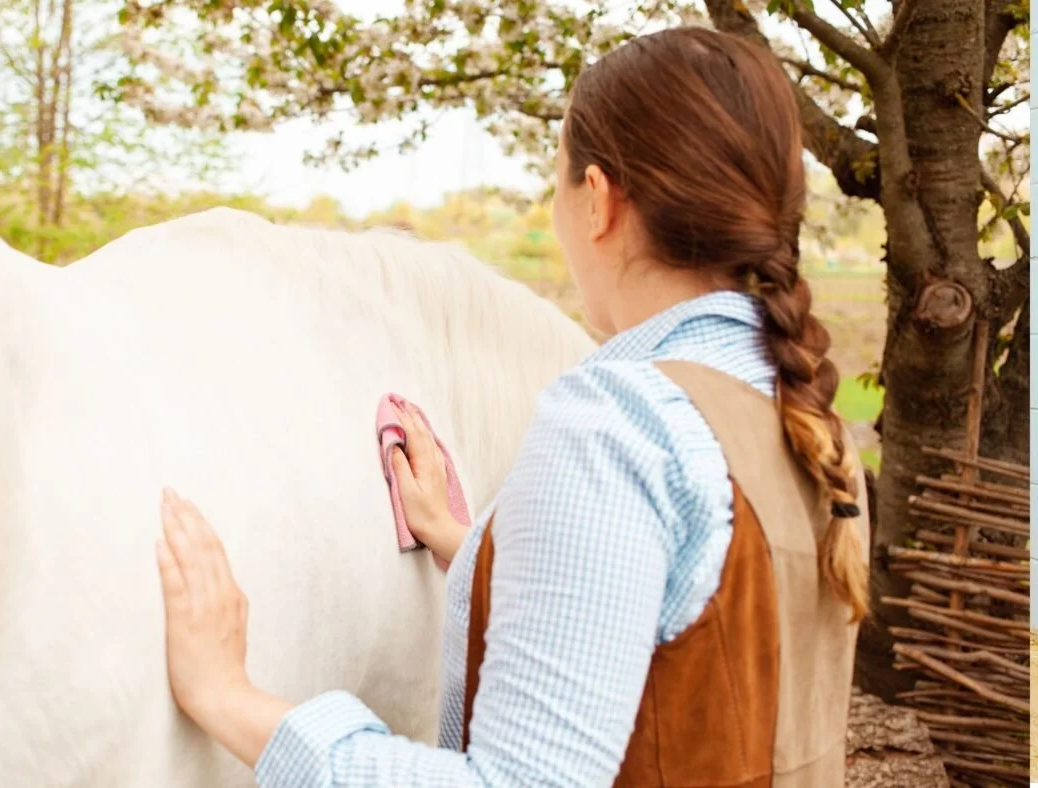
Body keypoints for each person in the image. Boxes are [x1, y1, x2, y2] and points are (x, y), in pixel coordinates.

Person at [152, 26, 870, 787]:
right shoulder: (811, 422)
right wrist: (473, 551)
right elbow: (690, 638)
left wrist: (229, 696)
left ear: (597, 199)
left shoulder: (619, 423)